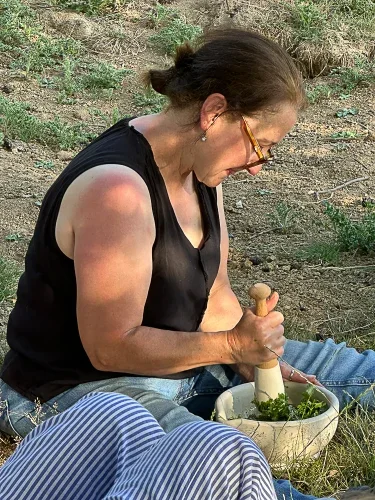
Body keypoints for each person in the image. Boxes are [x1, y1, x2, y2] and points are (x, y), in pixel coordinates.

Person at [0, 27, 374, 499]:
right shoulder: (116, 191)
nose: (258, 165)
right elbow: (109, 349)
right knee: (217, 464)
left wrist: (252, 352)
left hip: (189, 359)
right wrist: (233, 348)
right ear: (214, 112)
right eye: (260, 144)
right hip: (84, 392)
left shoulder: (201, 170)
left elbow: (214, 295)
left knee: (362, 373)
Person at [0, 392, 278, 499]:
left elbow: (220, 301)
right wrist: (231, 345)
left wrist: (248, 345)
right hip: (102, 373)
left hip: (189, 372)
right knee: (228, 453)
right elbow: (107, 348)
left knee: (114, 413)